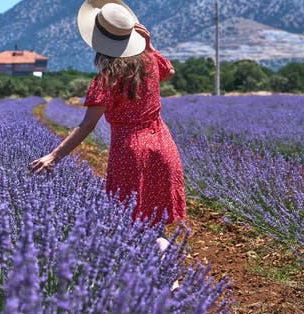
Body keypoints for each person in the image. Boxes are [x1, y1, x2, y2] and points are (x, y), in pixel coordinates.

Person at [29, 0, 186, 226]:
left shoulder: (106, 80)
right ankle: (167, 260)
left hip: (129, 154)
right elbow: (169, 72)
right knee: (155, 226)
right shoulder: (149, 64)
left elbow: (87, 126)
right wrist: (150, 47)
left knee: (129, 225)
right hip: (163, 147)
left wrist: (54, 156)